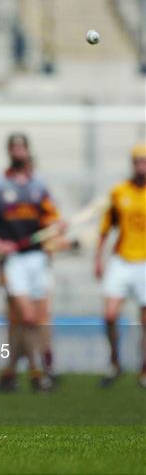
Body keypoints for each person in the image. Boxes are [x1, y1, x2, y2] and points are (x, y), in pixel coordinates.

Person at [0, 134, 62, 392]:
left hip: (37, 258)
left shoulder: (39, 185)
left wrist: (56, 227)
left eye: (22, 147)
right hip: (12, 260)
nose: (19, 152)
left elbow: (51, 219)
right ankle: (33, 371)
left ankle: (16, 371)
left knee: (37, 318)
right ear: (9, 151)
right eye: (14, 147)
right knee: (23, 318)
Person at [95, 143, 146, 388]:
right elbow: (106, 229)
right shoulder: (119, 192)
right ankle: (115, 362)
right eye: (138, 161)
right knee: (110, 314)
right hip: (121, 260)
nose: (141, 166)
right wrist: (98, 258)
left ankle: (144, 370)